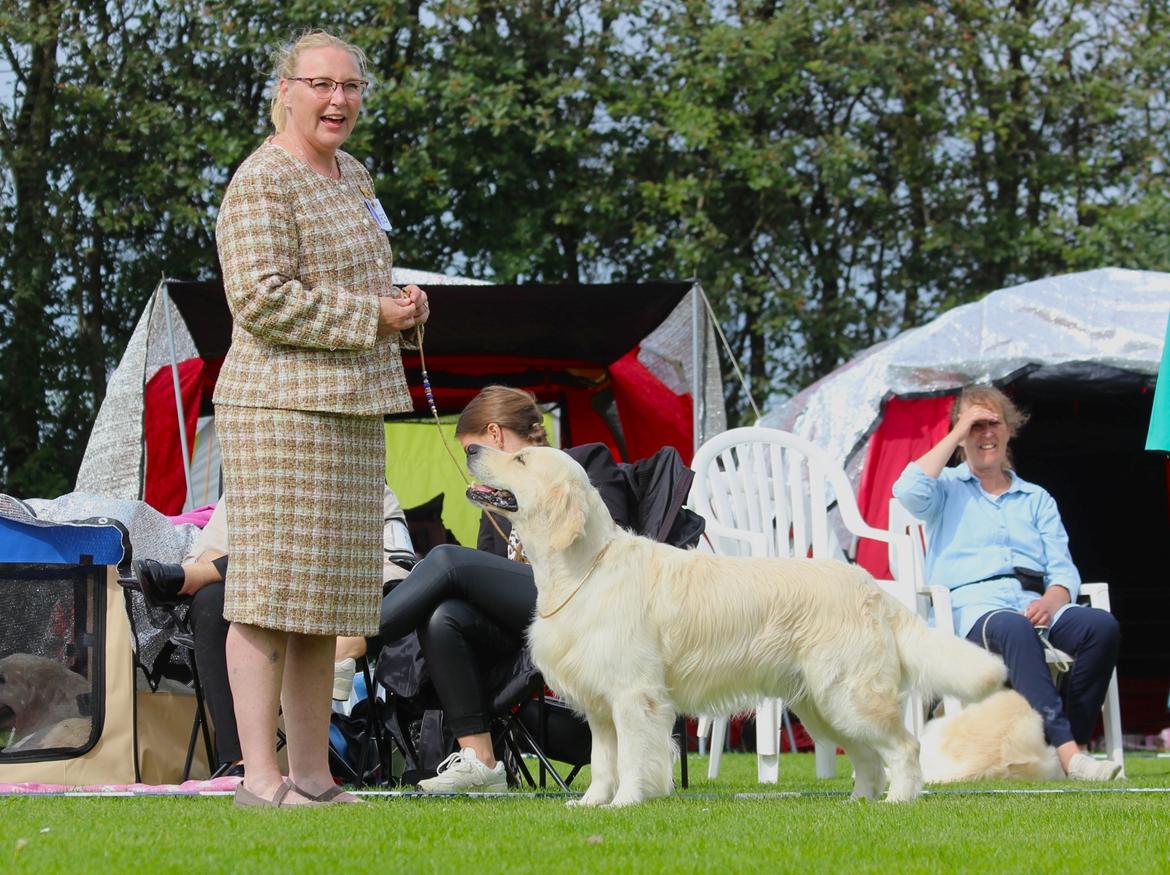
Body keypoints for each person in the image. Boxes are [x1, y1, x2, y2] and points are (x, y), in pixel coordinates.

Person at [213, 29, 428, 807]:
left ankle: (312, 775)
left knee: (326, 603)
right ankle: (261, 778)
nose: (338, 100)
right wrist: (371, 313)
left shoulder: (354, 174)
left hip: (351, 409)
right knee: (269, 599)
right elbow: (260, 298)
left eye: (351, 86)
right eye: (321, 84)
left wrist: (402, 304)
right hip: (279, 412)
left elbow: (361, 276)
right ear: (285, 90)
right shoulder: (261, 181)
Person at [377, 385, 636, 793]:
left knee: (446, 560)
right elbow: (485, 575)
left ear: (495, 435)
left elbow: (603, 545)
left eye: (472, 450)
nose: (472, 465)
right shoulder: (499, 499)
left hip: (585, 600)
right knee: (445, 616)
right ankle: (481, 762)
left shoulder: (583, 463)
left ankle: (354, 639)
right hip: (527, 630)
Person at [892, 384, 1122, 781]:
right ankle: (1071, 758)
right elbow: (906, 491)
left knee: (1101, 627)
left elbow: (1063, 569)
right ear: (962, 436)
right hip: (973, 610)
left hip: (1036, 603)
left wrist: (1053, 600)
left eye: (992, 423)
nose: (985, 434)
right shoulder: (945, 490)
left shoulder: (1036, 498)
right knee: (1013, 626)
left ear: (1009, 429)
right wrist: (957, 427)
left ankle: (1071, 746)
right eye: (974, 426)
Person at [132, 487, 414, 775]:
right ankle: (239, 764)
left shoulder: (372, 489)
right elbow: (209, 551)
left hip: (331, 607)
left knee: (290, 557)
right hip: (261, 608)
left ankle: (188, 579)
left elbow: (398, 572)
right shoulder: (256, 478)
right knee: (210, 601)